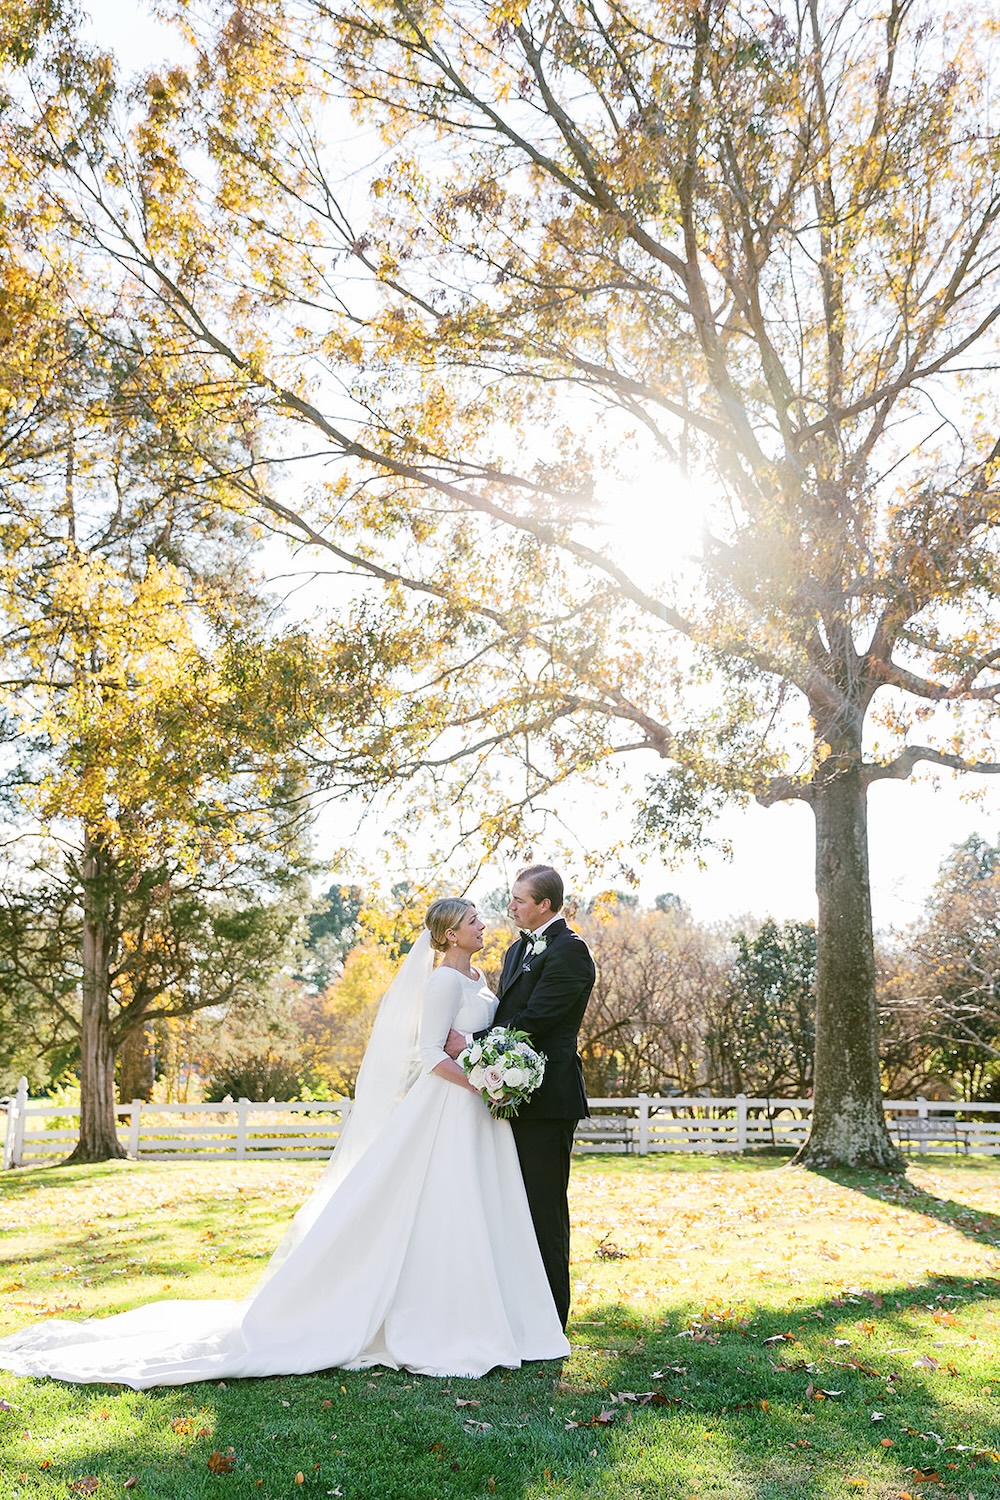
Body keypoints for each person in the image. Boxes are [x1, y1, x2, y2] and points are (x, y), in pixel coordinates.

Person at [0, 899, 569, 1388]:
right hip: (448, 1108)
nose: (483, 925)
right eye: (472, 920)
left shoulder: (478, 981)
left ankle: (485, 1313)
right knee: (437, 1206)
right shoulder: (443, 979)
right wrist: (482, 1079)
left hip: (480, 1113)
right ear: (448, 934)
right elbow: (428, 1056)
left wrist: (494, 1073)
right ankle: (426, 1318)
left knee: (479, 1210)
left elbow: (473, 1038)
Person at [446, 865, 595, 1328]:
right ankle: (517, 1310)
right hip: (511, 1096)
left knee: (544, 1208)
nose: (510, 906)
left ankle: (551, 1317)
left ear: (545, 905)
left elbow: (536, 1019)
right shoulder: (515, 951)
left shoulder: (571, 953)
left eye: (519, 900)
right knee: (513, 1206)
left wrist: (471, 1045)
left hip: (549, 1101)